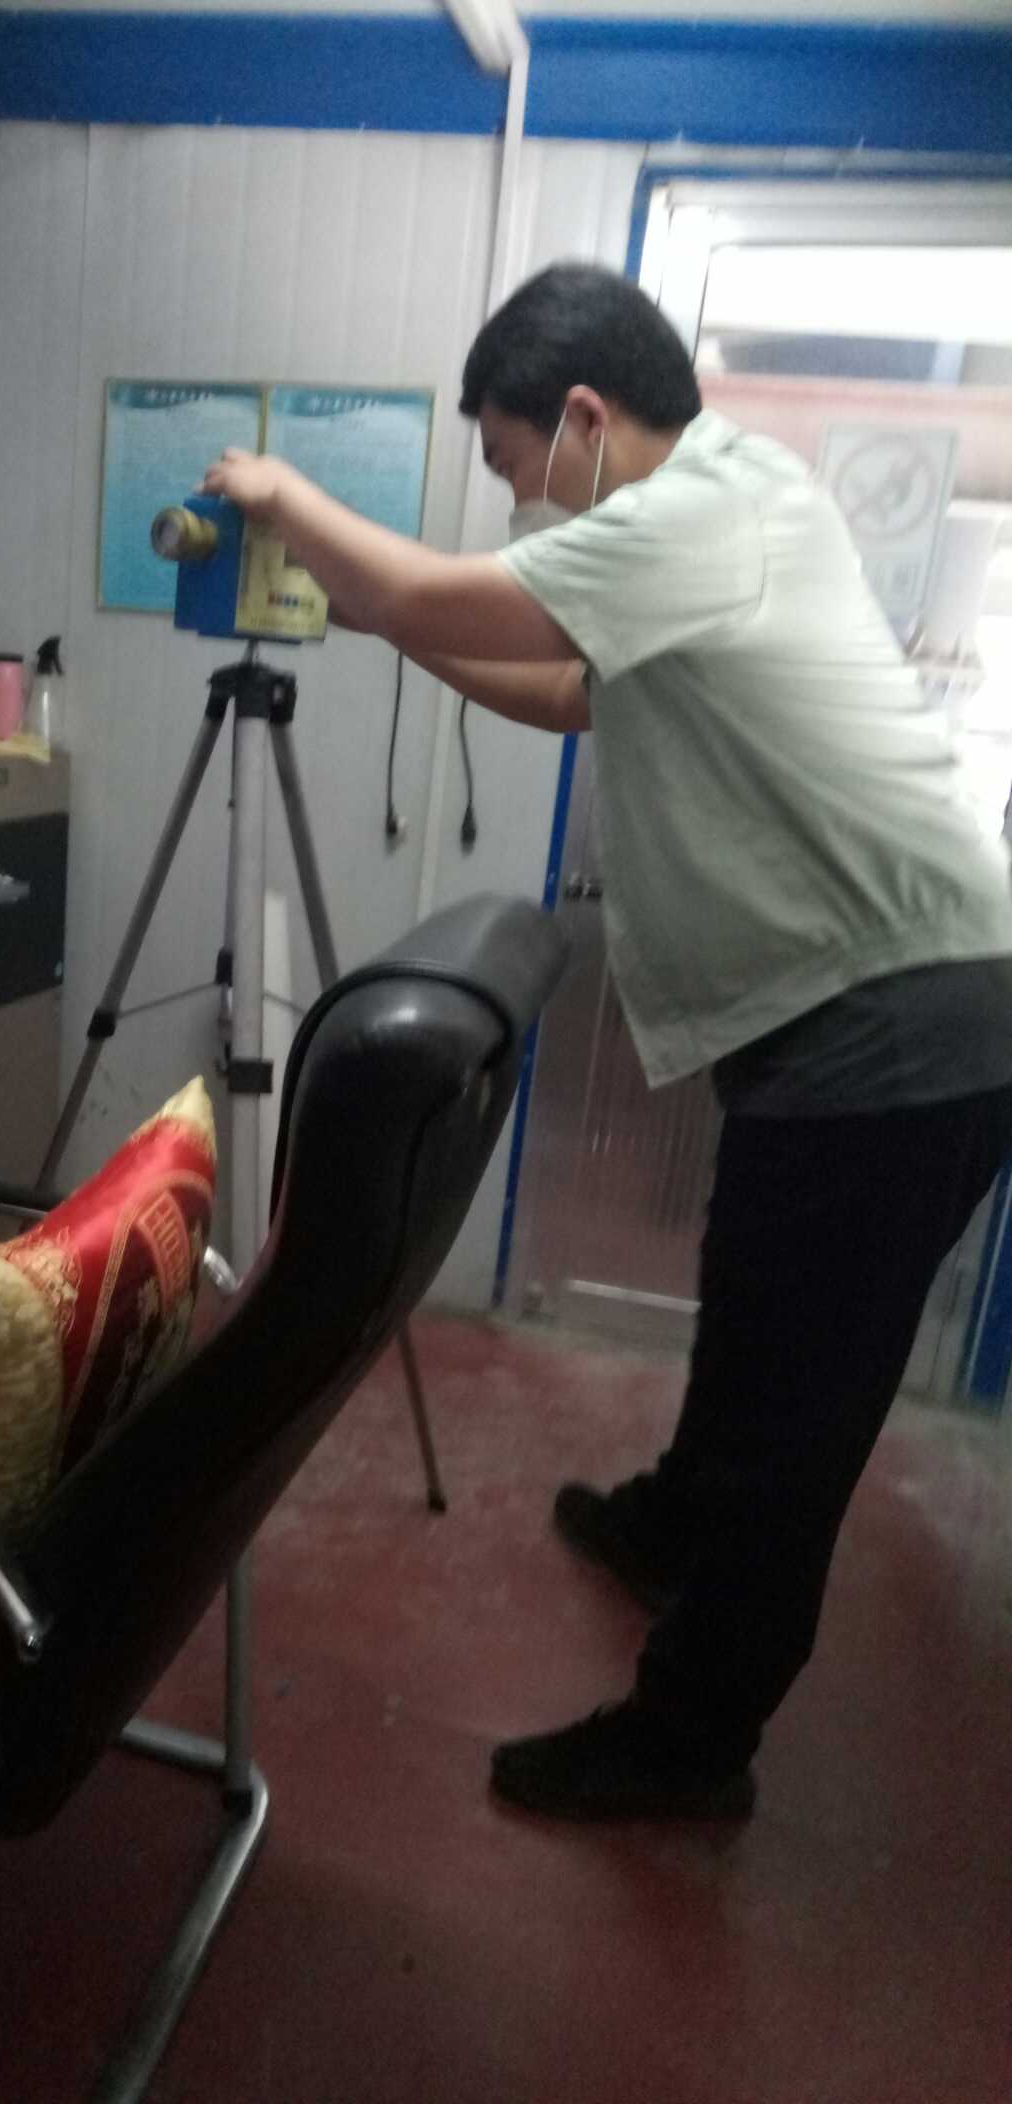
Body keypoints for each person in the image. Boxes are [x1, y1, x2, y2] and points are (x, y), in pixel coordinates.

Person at [203, 262, 1012, 1821]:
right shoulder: (705, 532)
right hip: (851, 1015)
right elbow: (576, 692)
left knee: (799, 1406)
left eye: (515, 462)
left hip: (906, 1023)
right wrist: (391, 622)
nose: (520, 499)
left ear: (584, 416)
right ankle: (672, 1524)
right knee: (754, 1302)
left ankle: (694, 1740)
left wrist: (288, 501)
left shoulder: (713, 507)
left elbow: (452, 596)